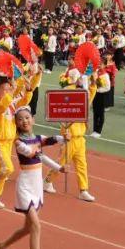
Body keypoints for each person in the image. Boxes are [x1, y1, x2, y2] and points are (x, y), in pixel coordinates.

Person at [0, 107, 64, 249]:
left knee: (27, 228)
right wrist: (48, 153)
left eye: (27, 117)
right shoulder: (18, 142)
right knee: (36, 226)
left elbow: (49, 141)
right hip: (25, 186)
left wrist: (64, 138)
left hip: (37, 186)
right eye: (20, 119)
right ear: (16, 124)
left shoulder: (38, 138)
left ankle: (2, 246)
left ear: (33, 119)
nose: (24, 121)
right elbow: (30, 152)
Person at [45, 70, 97, 201]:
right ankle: (47, 181)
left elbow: (90, 96)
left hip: (80, 138)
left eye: (83, 78)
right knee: (61, 163)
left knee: (82, 165)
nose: (82, 80)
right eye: (80, 78)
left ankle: (83, 190)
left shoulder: (85, 91)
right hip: (69, 137)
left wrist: (93, 83)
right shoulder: (69, 89)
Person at [0, 74, 29, 208]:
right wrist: (12, 93)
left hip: (9, 142)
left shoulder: (11, 104)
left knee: (2, 169)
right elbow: (2, 106)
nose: (7, 92)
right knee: (8, 168)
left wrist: (29, 90)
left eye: (9, 89)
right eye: (4, 89)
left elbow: (23, 102)